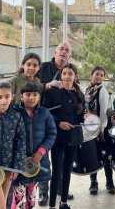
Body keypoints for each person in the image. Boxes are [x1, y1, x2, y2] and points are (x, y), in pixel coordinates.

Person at [43, 63, 85, 209]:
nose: (67, 76)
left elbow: (80, 116)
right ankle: (52, 205)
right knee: (57, 171)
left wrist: (87, 117)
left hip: (73, 138)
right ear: (61, 75)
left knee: (67, 170)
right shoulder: (53, 92)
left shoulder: (79, 94)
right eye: (64, 73)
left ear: (75, 76)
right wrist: (59, 122)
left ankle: (64, 202)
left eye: (70, 74)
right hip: (57, 137)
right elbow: (46, 112)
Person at [38, 41, 74, 205]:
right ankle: (43, 192)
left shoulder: (70, 70)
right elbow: (31, 85)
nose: (64, 52)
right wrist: (47, 86)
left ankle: (59, 187)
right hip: (41, 117)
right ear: (55, 52)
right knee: (43, 156)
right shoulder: (44, 67)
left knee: (60, 160)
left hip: (60, 121)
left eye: (67, 50)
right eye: (61, 49)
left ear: (69, 55)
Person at [11, 83, 57, 208]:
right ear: (21, 96)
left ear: (39, 97)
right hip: (19, 163)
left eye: (34, 95)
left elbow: (52, 133)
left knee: (31, 196)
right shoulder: (13, 112)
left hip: (37, 163)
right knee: (18, 197)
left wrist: (41, 151)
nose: (31, 98)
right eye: (27, 94)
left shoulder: (45, 113)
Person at [85, 66, 115, 195]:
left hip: (103, 126)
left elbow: (103, 112)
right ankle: (93, 182)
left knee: (106, 155)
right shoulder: (87, 90)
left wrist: (102, 129)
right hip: (90, 126)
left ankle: (110, 182)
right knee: (93, 155)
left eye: (102, 75)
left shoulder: (102, 90)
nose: (99, 77)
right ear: (92, 75)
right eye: (97, 74)